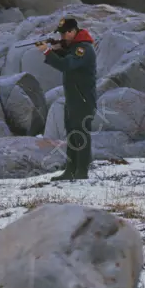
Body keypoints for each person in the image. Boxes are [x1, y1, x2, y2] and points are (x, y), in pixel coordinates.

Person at [36, 17, 97, 181]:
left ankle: (82, 171)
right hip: (72, 98)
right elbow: (65, 57)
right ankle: (70, 170)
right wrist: (55, 49)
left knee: (81, 134)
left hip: (83, 99)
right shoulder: (74, 47)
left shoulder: (83, 49)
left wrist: (47, 52)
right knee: (71, 134)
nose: (62, 37)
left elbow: (66, 65)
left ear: (72, 31)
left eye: (64, 34)